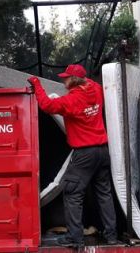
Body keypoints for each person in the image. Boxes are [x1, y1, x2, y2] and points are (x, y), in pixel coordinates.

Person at [28, 64, 117, 248]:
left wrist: (36, 83)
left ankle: (75, 238)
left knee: (72, 193)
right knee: (104, 194)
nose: (63, 80)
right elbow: (89, 82)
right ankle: (112, 236)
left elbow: (47, 105)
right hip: (102, 151)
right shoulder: (96, 89)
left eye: (66, 77)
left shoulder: (71, 101)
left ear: (74, 80)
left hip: (85, 153)